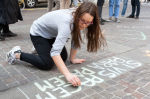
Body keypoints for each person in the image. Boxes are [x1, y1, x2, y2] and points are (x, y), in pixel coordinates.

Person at [6, 2, 106, 86]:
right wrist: (68, 75)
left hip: (51, 34)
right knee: (47, 64)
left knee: (63, 57)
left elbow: (76, 38)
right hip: (38, 33)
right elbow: (55, 52)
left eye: (88, 23)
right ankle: (16, 54)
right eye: (82, 21)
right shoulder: (67, 22)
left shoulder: (81, 17)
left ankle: (40, 49)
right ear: (78, 15)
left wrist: (72, 58)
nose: (84, 25)